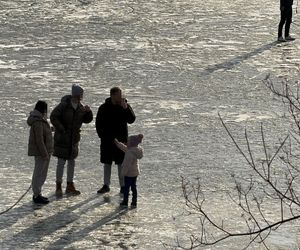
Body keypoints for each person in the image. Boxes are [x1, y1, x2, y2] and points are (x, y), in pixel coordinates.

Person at [50, 84, 93, 196]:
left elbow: (87, 120)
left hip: (73, 139)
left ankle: (70, 184)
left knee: (72, 162)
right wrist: (61, 128)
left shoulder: (80, 107)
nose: (80, 97)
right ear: (74, 94)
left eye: (81, 96)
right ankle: (58, 185)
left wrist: (89, 112)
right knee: (61, 162)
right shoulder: (64, 105)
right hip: (63, 138)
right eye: (79, 95)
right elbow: (53, 116)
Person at [96, 87, 136, 194]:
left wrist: (126, 108)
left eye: (121, 94)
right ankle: (106, 185)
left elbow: (132, 120)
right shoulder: (104, 107)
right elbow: (98, 124)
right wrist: (103, 137)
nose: (121, 97)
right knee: (107, 163)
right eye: (119, 95)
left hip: (121, 141)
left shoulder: (124, 106)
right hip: (107, 141)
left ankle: (122, 186)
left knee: (121, 164)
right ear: (112, 95)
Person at [27, 100, 53, 204]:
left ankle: (38, 193)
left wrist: (50, 129)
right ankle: (36, 194)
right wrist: (44, 154)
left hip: (44, 152)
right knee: (39, 173)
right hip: (41, 153)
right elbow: (39, 140)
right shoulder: (38, 122)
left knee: (42, 173)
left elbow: (43, 132)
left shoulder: (40, 120)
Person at [115, 134, 143, 208]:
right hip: (135, 172)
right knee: (134, 187)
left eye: (128, 142)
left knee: (126, 188)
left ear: (131, 143)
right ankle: (134, 202)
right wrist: (118, 143)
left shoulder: (130, 153)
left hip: (129, 173)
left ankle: (125, 201)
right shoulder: (134, 150)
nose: (127, 143)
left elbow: (127, 165)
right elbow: (124, 148)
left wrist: (123, 174)